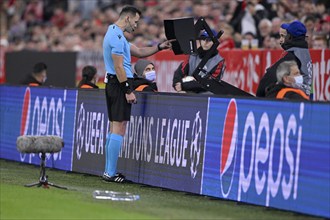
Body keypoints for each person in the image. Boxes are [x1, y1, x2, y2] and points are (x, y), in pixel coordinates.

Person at [102, 5, 173, 183]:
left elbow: (139, 52)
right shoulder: (117, 38)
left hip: (113, 83)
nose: (136, 25)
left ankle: (108, 171)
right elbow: (119, 66)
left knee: (114, 127)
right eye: (135, 21)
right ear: (127, 18)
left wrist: (159, 47)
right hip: (119, 85)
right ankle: (110, 173)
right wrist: (127, 90)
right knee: (119, 127)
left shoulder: (114, 33)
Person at [256, 20, 312, 98]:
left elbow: (271, 75)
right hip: (303, 96)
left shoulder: (293, 55)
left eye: (285, 35)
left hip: (294, 98)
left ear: (289, 37)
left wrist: (259, 96)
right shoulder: (304, 53)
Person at [172, 30, 225, 94]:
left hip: (206, 94)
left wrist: (184, 85)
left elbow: (209, 84)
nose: (205, 42)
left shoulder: (218, 61)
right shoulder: (192, 56)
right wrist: (177, 84)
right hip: (189, 91)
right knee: (180, 94)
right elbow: (179, 73)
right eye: (203, 39)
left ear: (215, 42)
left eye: (209, 40)